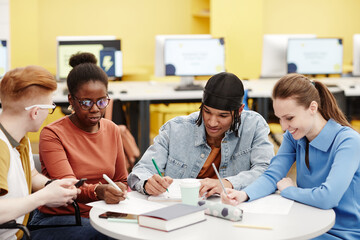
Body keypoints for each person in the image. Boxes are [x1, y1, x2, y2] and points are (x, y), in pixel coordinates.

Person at [221, 73, 360, 239]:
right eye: (280, 119)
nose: (284, 127)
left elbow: (327, 198)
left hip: (339, 233)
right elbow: (273, 175)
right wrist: (244, 194)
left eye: (289, 118)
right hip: (306, 224)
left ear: (313, 108)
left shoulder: (348, 141)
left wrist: (289, 191)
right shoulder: (295, 136)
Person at [28, 52, 128, 239]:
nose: (96, 109)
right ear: (71, 101)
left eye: (101, 101)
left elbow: (122, 179)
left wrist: (120, 189)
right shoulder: (53, 133)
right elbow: (68, 188)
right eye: (86, 103)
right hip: (58, 220)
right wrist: (99, 191)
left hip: (101, 214)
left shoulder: (112, 129)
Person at [128, 72, 274, 197]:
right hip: (182, 209)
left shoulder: (254, 126)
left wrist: (227, 183)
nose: (212, 122)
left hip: (232, 209)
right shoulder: (175, 129)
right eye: (207, 111)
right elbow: (141, 171)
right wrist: (148, 184)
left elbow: (267, 170)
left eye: (223, 116)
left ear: (240, 110)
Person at [0, 66, 79, 240]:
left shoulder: (20, 137)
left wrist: (52, 186)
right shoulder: (1, 147)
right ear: (35, 112)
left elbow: (32, 174)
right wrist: (43, 197)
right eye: (50, 107)